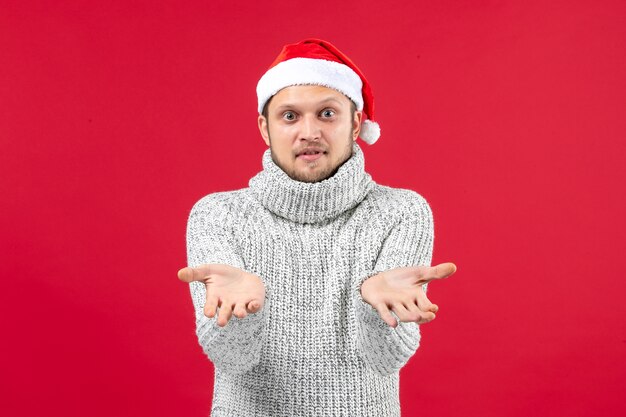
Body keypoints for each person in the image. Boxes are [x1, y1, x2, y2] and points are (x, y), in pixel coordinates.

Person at [177, 38, 457, 417]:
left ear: (356, 122)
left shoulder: (401, 211)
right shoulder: (217, 216)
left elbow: (388, 359)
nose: (309, 132)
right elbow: (230, 359)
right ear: (265, 128)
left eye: (327, 114)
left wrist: (376, 309)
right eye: (289, 116)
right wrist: (244, 312)